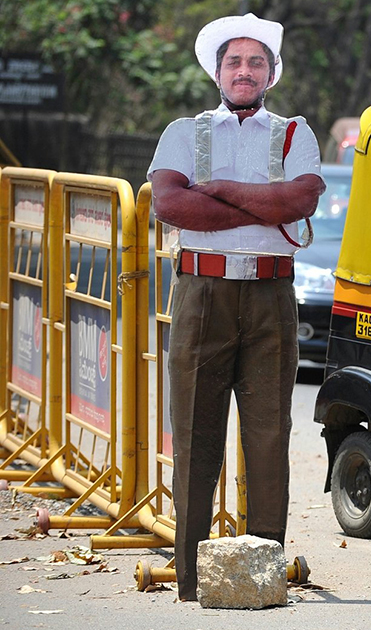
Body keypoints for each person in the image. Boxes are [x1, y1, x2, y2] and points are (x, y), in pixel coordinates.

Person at [146, 13, 324, 602]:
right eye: (234, 62)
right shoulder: (182, 132)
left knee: (270, 433)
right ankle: (192, 579)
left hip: (273, 293)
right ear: (216, 71)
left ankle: (264, 574)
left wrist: (218, 189)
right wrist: (264, 208)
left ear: (271, 73)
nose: (244, 72)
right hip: (202, 293)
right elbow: (172, 206)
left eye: (256, 62)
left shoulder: (296, 132)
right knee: (195, 432)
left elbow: (301, 197)